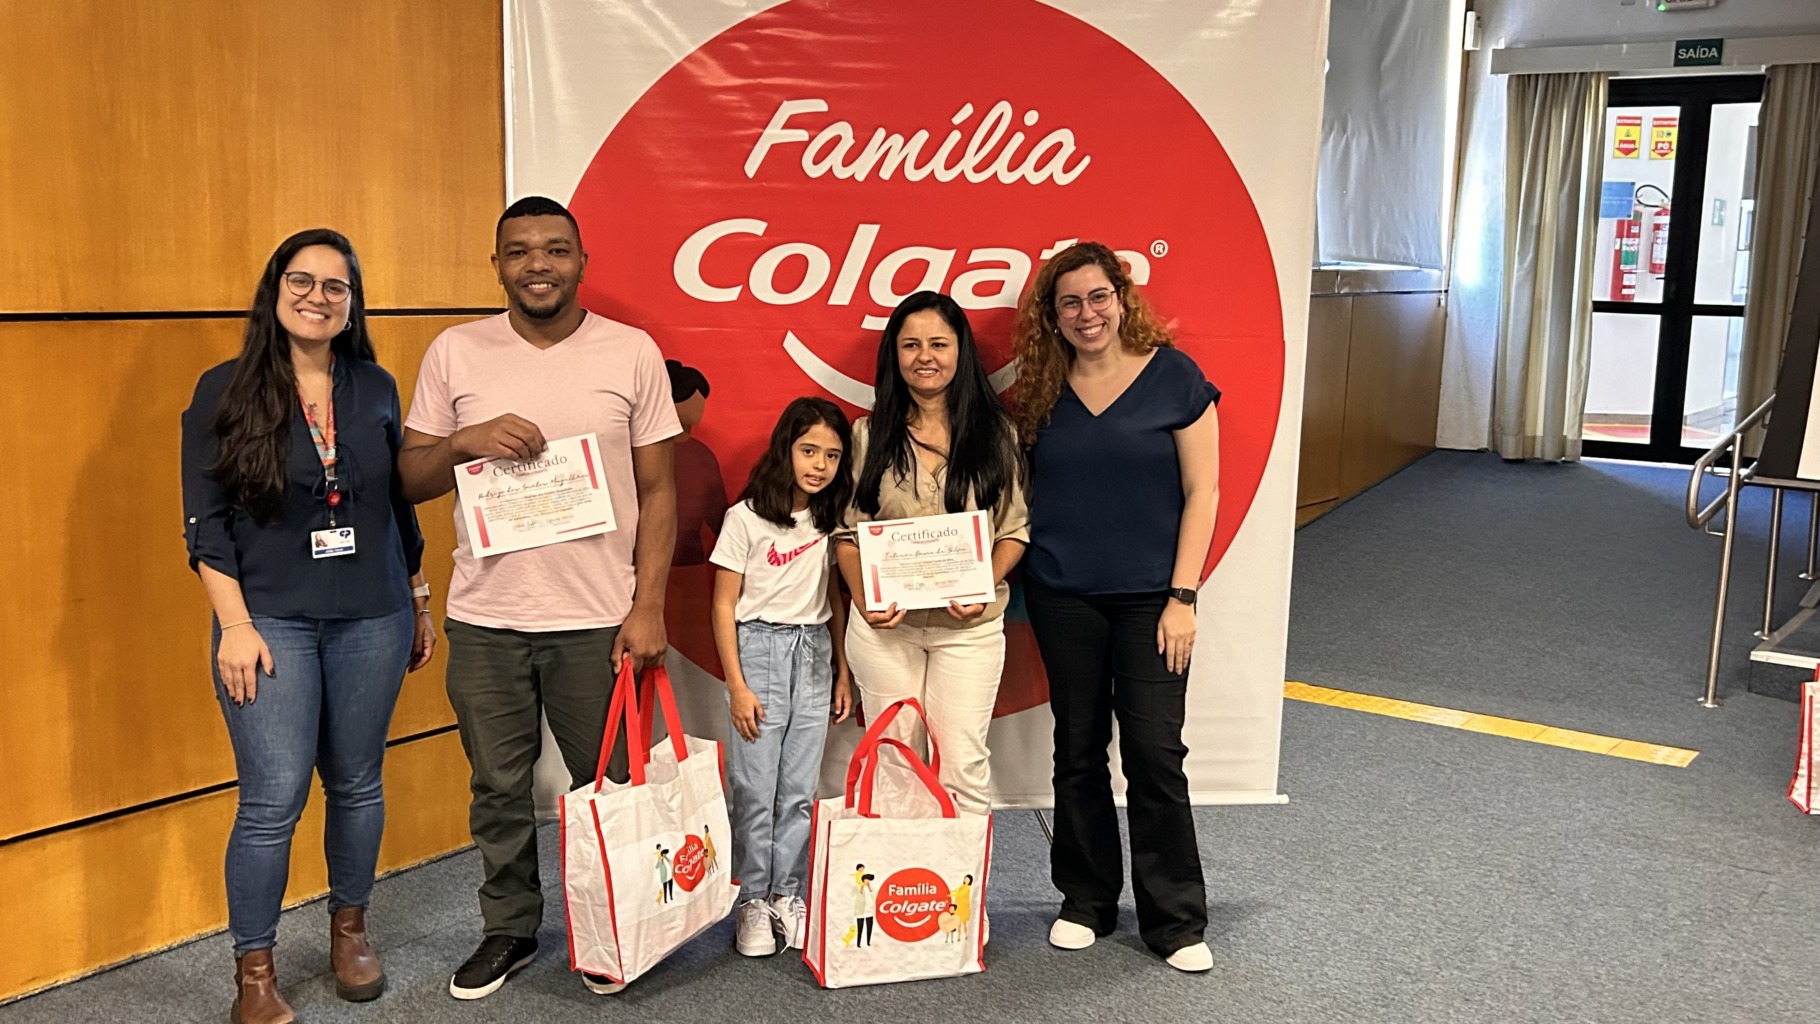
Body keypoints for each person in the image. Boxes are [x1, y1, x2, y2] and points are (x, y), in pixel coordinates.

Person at [397, 196, 680, 1000]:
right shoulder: (456, 351)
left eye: (555, 249)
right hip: (487, 618)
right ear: (497, 266)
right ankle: (511, 929)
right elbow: (408, 479)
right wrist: (463, 442)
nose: (538, 265)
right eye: (519, 252)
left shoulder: (631, 352)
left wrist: (648, 605)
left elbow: (659, 490)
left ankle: (612, 927)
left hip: (599, 618)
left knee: (609, 789)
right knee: (497, 789)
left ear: (582, 261)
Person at [181, 228, 436, 1024]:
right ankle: (254, 973)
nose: (317, 297)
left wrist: (419, 596)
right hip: (269, 622)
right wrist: (233, 625)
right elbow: (205, 522)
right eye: (302, 280)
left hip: (374, 614)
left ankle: (349, 931)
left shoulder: (376, 386)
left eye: (336, 286)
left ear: (352, 303)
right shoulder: (223, 390)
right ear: (275, 289)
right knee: (272, 797)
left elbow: (394, 505)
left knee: (357, 781)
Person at [1009, 241, 1220, 973]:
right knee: (1078, 748)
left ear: (1122, 299)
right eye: (1069, 302)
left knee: (1156, 753)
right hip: (1062, 594)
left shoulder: (1175, 377)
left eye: (1098, 296)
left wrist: (1183, 596)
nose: (1086, 313)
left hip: (1153, 603)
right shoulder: (1039, 391)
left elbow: (1203, 492)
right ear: (1053, 315)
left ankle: (1176, 921)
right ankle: (1086, 900)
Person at [834, 291, 1028, 817]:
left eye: (939, 344)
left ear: (960, 351)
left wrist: (981, 584)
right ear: (893, 355)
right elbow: (847, 534)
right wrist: (864, 598)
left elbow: (1014, 529)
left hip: (969, 631)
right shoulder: (867, 435)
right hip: (885, 631)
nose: (925, 357)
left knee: (962, 768)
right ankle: (899, 875)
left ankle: (961, 876)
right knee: (893, 769)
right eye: (911, 345)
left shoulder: (997, 435)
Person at [709, 397, 855, 958]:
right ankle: (751, 899)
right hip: (760, 651)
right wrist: (737, 685)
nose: (820, 465)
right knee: (754, 787)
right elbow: (724, 605)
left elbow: (833, 600)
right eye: (809, 450)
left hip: (813, 653)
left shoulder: (830, 521)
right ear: (785, 449)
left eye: (833, 455)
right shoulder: (745, 518)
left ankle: (786, 894)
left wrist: (842, 670)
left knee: (797, 790)